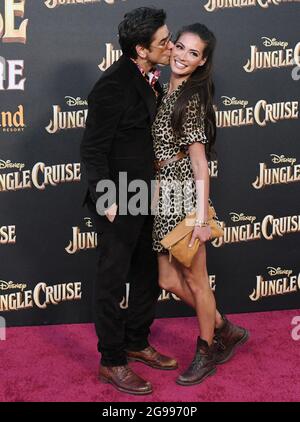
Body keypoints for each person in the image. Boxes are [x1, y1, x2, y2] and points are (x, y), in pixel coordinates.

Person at [80, 7, 178, 396]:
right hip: (118, 198)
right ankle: (112, 361)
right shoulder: (112, 86)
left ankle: (137, 341)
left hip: (146, 193)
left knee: (146, 274)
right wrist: (107, 198)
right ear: (140, 49)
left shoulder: (150, 78)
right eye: (163, 42)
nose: (170, 46)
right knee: (111, 279)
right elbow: (92, 149)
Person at [152, 23, 249, 386]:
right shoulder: (162, 91)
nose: (182, 56)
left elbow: (199, 163)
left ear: (202, 61)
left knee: (196, 281)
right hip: (161, 195)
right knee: (166, 278)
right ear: (171, 46)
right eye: (180, 47)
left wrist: (200, 217)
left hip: (184, 196)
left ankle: (206, 351)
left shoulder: (191, 99)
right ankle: (225, 327)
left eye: (193, 52)